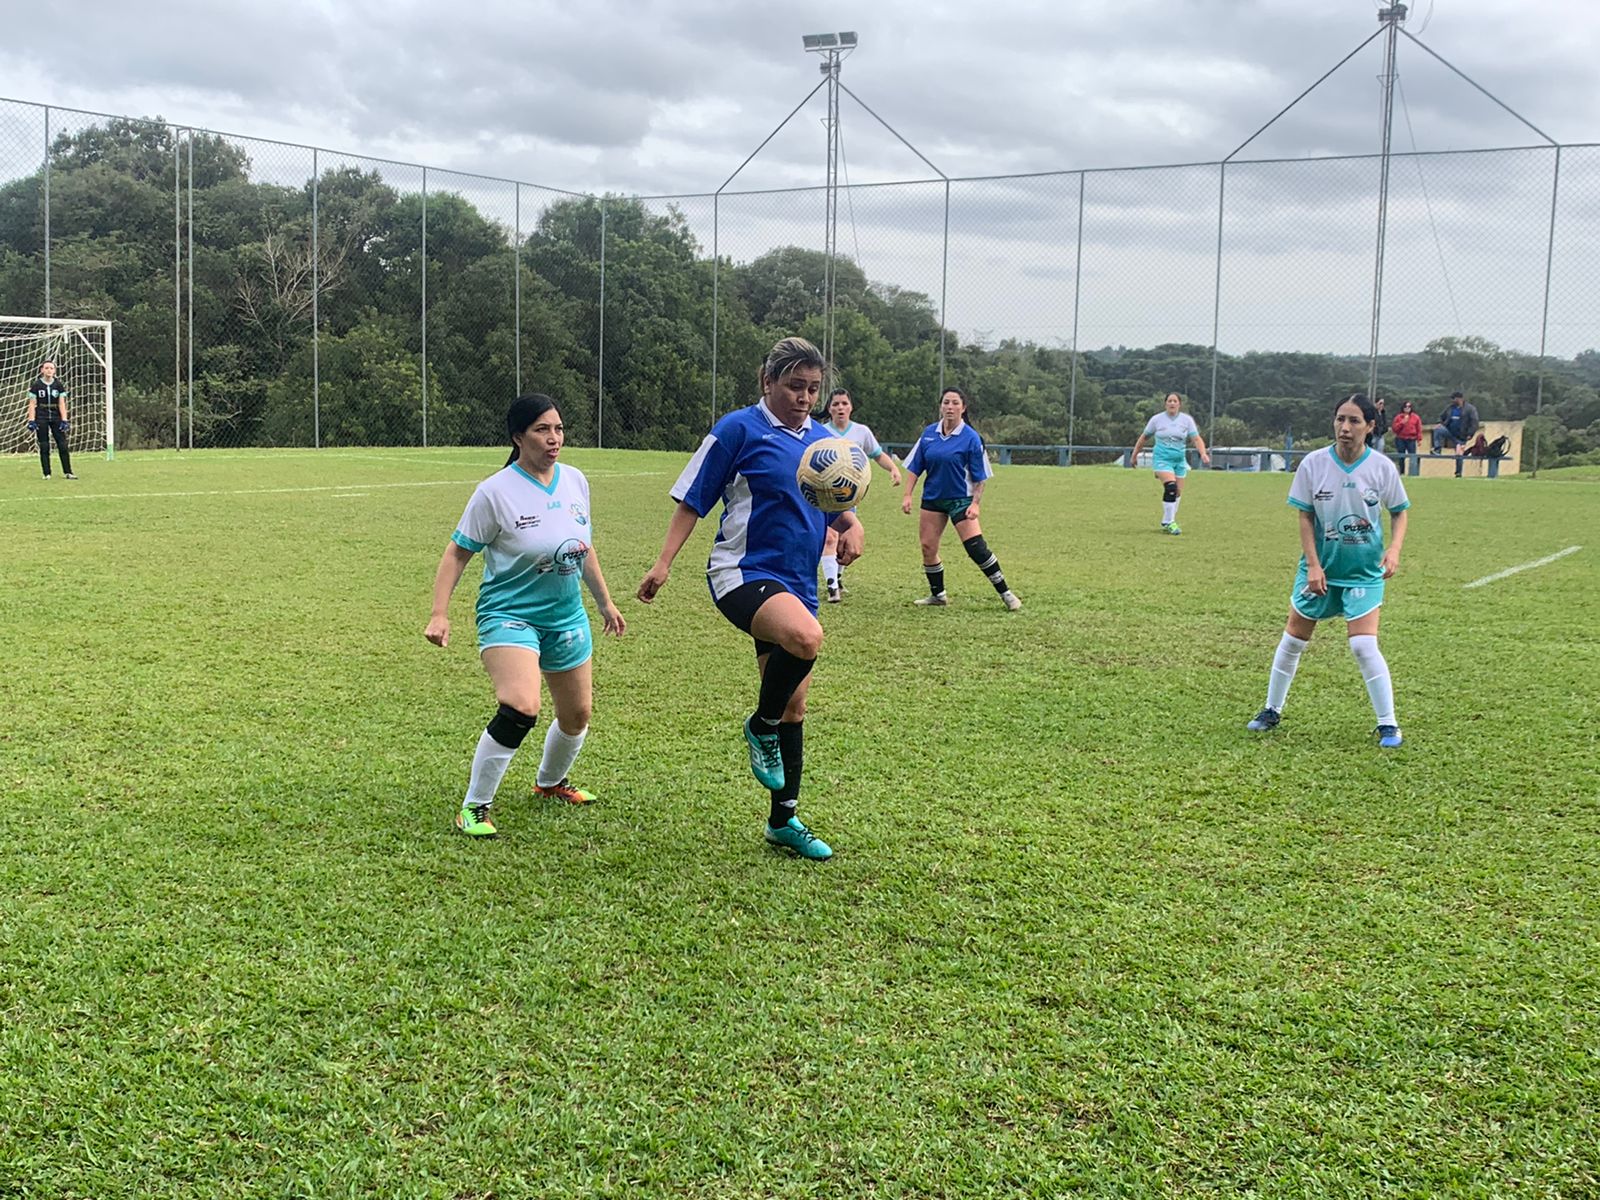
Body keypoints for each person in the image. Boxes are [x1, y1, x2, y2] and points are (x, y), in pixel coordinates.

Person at [637, 337, 865, 861]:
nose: (805, 397)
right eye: (794, 386)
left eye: (812, 388)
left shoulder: (823, 441)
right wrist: (663, 562)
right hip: (741, 572)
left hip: (798, 581)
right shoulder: (738, 429)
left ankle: (783, 820)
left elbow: (829, 498)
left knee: (794, 704)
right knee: (807, 638)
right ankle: (757, 726)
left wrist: (851, 525)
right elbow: (693, 500)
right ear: (767, 381)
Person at [426, 394, 626, 838]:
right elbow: (457, 553)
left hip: (565, 615)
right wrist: (440, 613)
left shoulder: (575, 481)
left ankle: (550, 784)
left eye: (558, 428)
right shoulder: (495, 492)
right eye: (542, 430)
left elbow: (582, 546)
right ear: (518, 438)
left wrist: (604, 602)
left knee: (577, 715)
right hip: (509, 615)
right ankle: (474, 807)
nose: (554, 438)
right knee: (521, 705)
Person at [1246, 393, 1411, 748]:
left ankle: (1388, 725)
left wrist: (1394, 550)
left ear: (1370, 426)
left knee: (1364, 647)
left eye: (1354, 421)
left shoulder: (1381, 467)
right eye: (1340, 419)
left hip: (1364, 571)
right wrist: (1315, 566)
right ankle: (1271, 710)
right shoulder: (1313, 464)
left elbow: (1399, 511)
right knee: (1292, 640)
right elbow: (1305, 515)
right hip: (1319, 570)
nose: (1345, 428)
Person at [900, 387, 1022, 610]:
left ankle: (1006, 593)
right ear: (940, 406)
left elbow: (980, 477)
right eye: (946, 402)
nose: (950, 407)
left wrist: (975, 503)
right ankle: (938, 595)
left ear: (963, 408)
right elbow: (915, 467)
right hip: (933, 499)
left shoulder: (971, 438)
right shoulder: (929, 434)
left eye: (955, 403)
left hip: (961, 499)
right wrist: (908, 494)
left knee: (976, 547)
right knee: (928, 547)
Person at [818, 386, 901, 603]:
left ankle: (836, 577)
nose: (840, 407)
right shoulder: (820, 432)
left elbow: (877, 454)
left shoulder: (861, 432)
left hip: (849, 495)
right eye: (835, 404)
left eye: (844, 403)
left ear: (851, 407)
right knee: (829, 536)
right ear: (829, 409)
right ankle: (832, 587)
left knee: (845, 539)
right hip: (825, 494)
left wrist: (893, 469)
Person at [1128, 391, 1210, 535]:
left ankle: (1168, 520)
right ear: (1165, 404)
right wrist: (1135, 455)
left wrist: (1203, 453)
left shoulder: (1186, 420)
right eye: (1169, 401)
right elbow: (1144, 438)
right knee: (1170, 487)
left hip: (1179, 460)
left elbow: (1196, 439)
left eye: (1174, 401)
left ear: (1179, 404)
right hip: (1162, 459)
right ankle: (1170, 522)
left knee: (1177, 492)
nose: (1172, 403)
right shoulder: (1157, 420)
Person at [26, 360, 75, 480]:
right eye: (46, 368)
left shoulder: (58, 385)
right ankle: (46, 473)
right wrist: (31, 420)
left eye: (51, 368)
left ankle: (68, 472)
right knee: (44, 446)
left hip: (56, 416)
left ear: (54, 371)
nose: (49, 370)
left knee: (62, 445)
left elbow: (62, 403)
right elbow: (32, 404)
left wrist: (64, 420)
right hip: (41, 416)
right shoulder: (36, 385)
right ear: (42, 370)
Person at [1390, 400, 1422, 467]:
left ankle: (1413, 472)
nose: (1407, 408)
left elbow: (1419, 429)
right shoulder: (1398, 417)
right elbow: (1394, 429)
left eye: (1409, 406)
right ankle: (1401, 472)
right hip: (1400, 439)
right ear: (1403, 408)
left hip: (1411, 439)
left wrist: (1419, 439)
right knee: (1401, 456)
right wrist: (1402, 422)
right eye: (1405, 406)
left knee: (1412, 456)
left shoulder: (1416, 417)